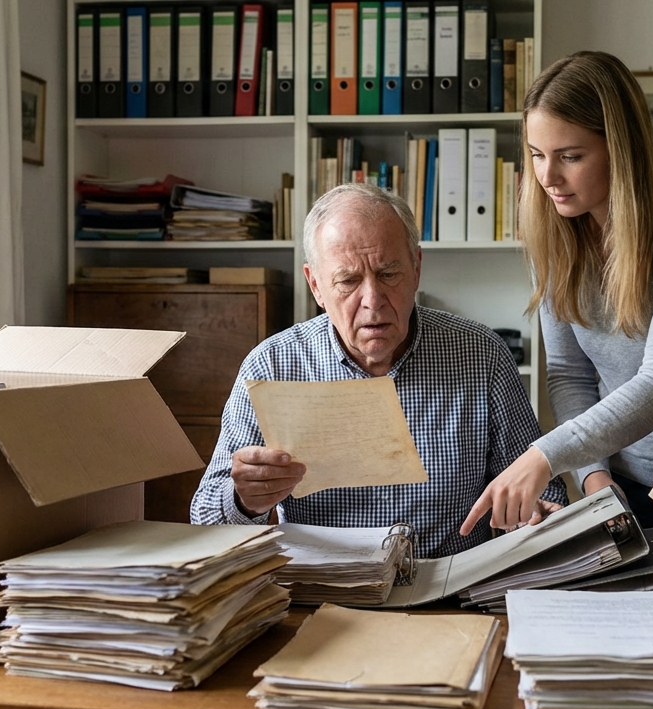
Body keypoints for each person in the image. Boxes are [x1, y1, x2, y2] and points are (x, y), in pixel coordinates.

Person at [460, 51, 653, 570]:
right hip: (624, 483)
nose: (548, 177)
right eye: (537, 154)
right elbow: (569, 374)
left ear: (620, 149)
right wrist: (594, 477)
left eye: (570, 156)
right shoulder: (555, 233)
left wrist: (544, 456)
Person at [191, 183, 566, 558]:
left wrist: (530, 514)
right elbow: (205, 517)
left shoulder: (482, 355)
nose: (372, 301)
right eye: (348, 281)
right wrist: (245, 502)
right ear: (316, 285)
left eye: (388, 274)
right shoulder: (272, 365)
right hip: (324, 593)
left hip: (451, 593)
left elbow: (542, 493)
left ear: (417, 268)